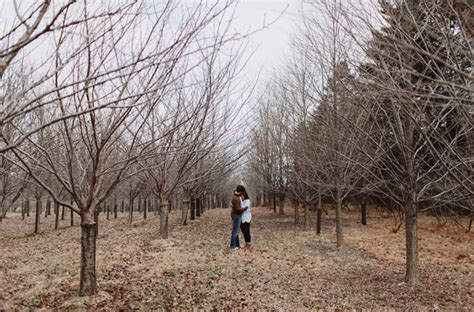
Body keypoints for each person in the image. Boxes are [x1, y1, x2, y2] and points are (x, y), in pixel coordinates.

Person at [237, 185, 252, 251]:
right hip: (242, 217)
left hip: (246, 217)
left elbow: (244, 208)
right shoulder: (241, 199)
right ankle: (246, 244)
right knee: (243, 231)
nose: (240, 195)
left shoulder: (247, 200)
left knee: (246, 231)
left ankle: (249, 244)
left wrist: (241, 200)